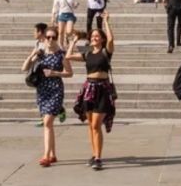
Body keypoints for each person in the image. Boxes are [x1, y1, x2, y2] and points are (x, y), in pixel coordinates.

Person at [67, 13, 117, 171]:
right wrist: (73, 42)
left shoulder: (105, 52)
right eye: (93, 36)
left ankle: (98, 157)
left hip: (102, 89)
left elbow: (111, 40)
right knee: (91, 125)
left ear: (101, 39)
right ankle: (95, 154)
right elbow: (68, 56)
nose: (94, 38)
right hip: (89, 89)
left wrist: (106, 22)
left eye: (97, 36)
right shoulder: (87, 54)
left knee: (96, 124)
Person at [24, 25, 71, 166]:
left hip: (55, 89)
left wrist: (55, 73)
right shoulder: (41, 53)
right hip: (42, 90)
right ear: (44, 38)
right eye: (48, 37)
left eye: (53, 37)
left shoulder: (61, 54)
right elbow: (24, 67)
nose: (50, 40)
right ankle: (53, 154)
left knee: (47, 122)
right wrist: (33, 55)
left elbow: (69, 72)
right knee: (49, 125)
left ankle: (45, 156)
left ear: (57, 38)